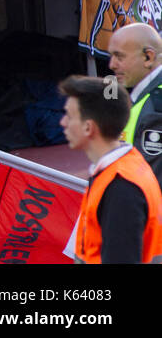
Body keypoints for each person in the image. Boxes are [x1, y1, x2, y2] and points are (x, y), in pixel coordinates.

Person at [59, 75, 162, 264]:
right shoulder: (125, 168)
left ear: (89, 127)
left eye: (69, 116)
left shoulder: (121, 187)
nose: (62, 122)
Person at [108, 23, 162, 185]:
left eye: (120, 56)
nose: (112, 64)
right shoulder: (149, 97)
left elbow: (149, 180)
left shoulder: (156, 105)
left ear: (148, 57)